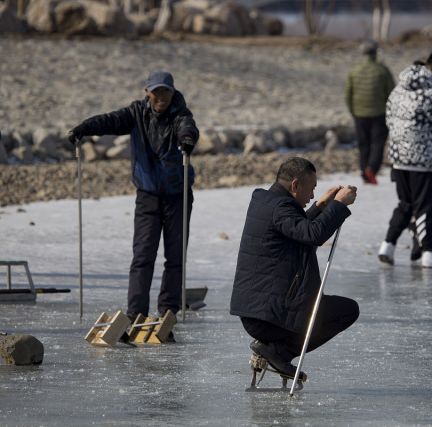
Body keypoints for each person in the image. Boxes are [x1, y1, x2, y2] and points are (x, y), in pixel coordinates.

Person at [68, 71, 199, 322]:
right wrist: (84, 128)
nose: (161, 97)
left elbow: (187, 127)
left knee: (175, 256)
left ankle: (168, 311)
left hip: (177, 196)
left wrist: (187, 139)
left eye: (166, 92)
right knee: (143, 255)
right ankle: (136, 312)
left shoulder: (180, 113)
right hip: (147, 195)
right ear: (147, 92)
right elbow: (109, 120)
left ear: (173, 93)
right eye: (157, 91)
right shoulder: (136, 113)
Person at [230, 157, 359, 378]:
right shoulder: (281, 207)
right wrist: (338, 206)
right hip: (269, 316)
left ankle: (276, 351)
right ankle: (279, 352)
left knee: (326, 307)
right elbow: (312, 234)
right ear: (295, 185)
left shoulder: (267, 201)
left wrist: (321, 206)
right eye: (311, 189)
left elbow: (296, 231)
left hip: (258, 310)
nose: (311, 196)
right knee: (347, 311)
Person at [378, 51, 432, 268]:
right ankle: (429, 252)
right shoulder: (431, 92)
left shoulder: (398, 90)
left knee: (406, 204)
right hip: (424, 159)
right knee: (426, 206)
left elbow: (388, 118)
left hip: (399, 158)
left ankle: (387, 245)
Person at [345, 40, 395, 185]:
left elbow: (348, 94)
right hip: (379, 114)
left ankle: (364, 173)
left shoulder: (354, 71)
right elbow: (391, 93)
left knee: (363, 144)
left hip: (359, 114)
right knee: (378, 143)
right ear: (375, 53)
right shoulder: (382, 70)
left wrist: (353, 111)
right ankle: (372, 169)